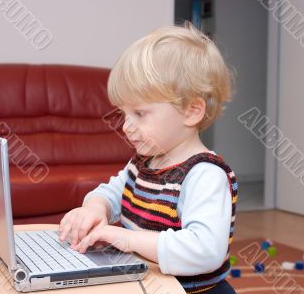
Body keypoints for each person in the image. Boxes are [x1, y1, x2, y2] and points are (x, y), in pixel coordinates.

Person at [59, 22, 238, 294]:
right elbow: (110, 192)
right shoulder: (143, 164)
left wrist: (127, 239)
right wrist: (95, 208)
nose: (126, 126)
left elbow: (205, 251)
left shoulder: (205, 174)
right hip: (149, 284)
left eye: (140, 114)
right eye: (123, 114)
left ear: (191, 112)